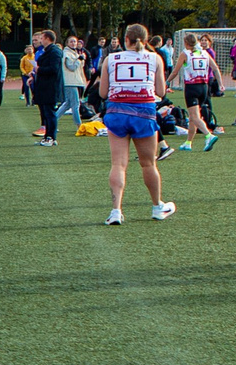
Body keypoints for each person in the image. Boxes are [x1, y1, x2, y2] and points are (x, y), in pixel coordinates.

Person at [93, 23, 173, 225]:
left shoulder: (111, 59)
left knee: (118, 164)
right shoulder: (155, 58)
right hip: (144, 113)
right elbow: (161, 91)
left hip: (117, 113)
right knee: (148, 163)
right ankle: (156, 206)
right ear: (146, 41)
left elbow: (102, 93)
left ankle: (116, 211)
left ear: (125, 39)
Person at [179, 32, 223, 148]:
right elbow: (215, 68)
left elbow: (176, 70)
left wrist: (167, 82)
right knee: (194, 115)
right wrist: (220, 84)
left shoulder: (187, 53)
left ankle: (208, 135)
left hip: (193, 85)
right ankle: (188, 142)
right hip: (204, 84)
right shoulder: (203, 52)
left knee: (194, 116)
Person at [29, 30, 62, 145]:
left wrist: (39, 69)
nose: (40, 40)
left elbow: (54, 69)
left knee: (50, 113)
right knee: (45, 113)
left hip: (50, 87)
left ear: (48, 39)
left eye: (42, 38)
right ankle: (47, 136)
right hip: (44, 86)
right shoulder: (47, 51)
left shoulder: (55, 52)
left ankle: (51, 138)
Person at [61, 35, 89, 131]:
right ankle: (79, 125)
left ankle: (52, 120)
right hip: (70, 81)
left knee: (68, 104)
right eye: (71, 41)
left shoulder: (75, 53)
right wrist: (79, 60)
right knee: (75, 104)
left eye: (75, 42)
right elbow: (71, 67)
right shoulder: (67, 54)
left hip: (76, 81)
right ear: (67, 43)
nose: (73, 43)